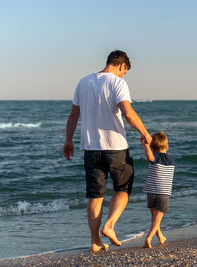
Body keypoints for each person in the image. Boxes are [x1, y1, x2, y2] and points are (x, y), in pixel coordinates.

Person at [63, 50, 152, 252]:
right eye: (125, 71)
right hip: (116, 147)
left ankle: (95, 242)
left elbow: (72, 116)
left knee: (95, 196)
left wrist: (68, 141)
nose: (123, 75)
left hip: (91, 148)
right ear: (121, 66)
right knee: (123, 188)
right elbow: (128, 113)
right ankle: (110, 225)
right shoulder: (117, 83)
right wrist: (145, 133)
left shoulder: (83, 82)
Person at [141, 131, 175, 248]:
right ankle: (149, 238)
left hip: (151, 191)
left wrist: (145, 145)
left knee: (154, 214)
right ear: (167, 146)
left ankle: (159, 235)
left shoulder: (155, 157)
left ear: (152, 148)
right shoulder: (170, 158)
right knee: (158, 217)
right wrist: (147, 146)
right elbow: (151, 157)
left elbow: (151, 157)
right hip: (163, 192)